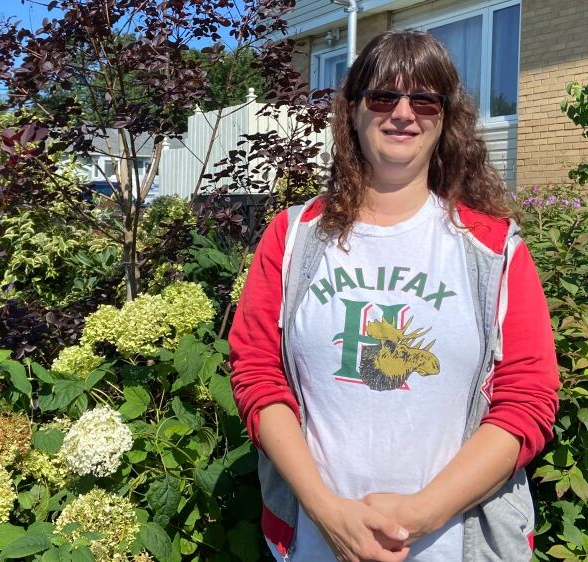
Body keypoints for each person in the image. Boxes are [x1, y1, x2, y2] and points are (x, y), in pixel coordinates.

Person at [229, 30, 559, 562]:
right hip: (316, 541)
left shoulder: (493, 249)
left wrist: (422, 513)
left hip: (454, 545)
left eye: (424, 99)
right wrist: (327, 512)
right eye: (384, 96)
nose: (403, 113)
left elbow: (528, 400)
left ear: (445, 118)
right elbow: (257, 374)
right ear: (353, 111)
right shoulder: (291, 238)